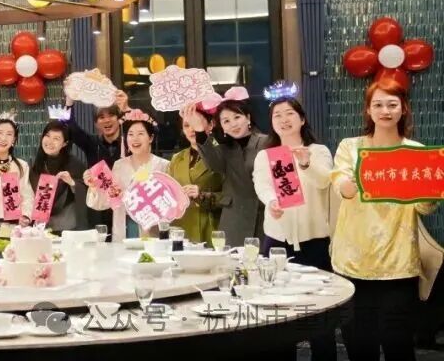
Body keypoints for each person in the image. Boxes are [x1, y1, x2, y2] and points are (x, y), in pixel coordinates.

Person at [331, 79, 436, 361]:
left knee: (398, 344)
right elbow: (341, 186)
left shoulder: (416, 151)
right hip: (353, 263)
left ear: (404, 108)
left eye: (392, 104)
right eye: (377, 104)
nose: (385, 111)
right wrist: (352, 184)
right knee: (359, 345)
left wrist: (432, 190)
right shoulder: (350, 147)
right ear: (368, 110)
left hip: (398, 264)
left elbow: (425, 208)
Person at [252, 95, 336, 361]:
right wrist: (271, 202)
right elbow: (262, 185)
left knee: (320, 310)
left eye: (289, 113)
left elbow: (324, 182)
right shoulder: (266, 155)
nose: (283, 119)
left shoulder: (318, 151)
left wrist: (306, 163)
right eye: (277, 115)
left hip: (315, 242)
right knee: (279, 311)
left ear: (302, 119)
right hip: (278, 242)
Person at [182, 90, 268, 244]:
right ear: (221, 126)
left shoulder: (267, 142)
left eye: (237, 117)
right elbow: (213, 163)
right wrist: (200, 130)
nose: (233, 124)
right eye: (226, 121)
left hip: (265, 218)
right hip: (234, 222)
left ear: (248, 118)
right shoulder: (224, 149)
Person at [85, 109, 170, 241]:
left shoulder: (163, 166)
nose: (135, 139)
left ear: (151, 138)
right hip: (123, 230)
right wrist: (94, 186)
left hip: (152, 233)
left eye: (140, 133)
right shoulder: (119, 165)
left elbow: (169, 205)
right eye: (130, 134)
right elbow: (106, 201)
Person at [63, 98, 123, 229]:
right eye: (101, 117)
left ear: (119, 119)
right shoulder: (92, 143)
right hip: (99, 208)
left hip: (124, 206)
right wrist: (69, 102)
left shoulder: (130, 143)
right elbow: (70, 126)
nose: (107, 120)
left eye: (111, 115)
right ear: (96, 124)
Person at [168, 110, 224, 244]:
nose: (191, 129)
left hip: (211, 226)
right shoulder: (177, 158)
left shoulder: (223, 154)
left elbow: (232, 195)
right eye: (186, 125)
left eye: (195, 123)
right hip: (181, 227)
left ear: (211, 124)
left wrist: (202, 195)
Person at [28, 120, 85, 232]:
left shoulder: (74, 163)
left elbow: (89, 191)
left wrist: (72, 183)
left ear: (64, 144)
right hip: (42, 227)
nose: (50, 141)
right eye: (47, 136)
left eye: (56, 138)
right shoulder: (38, 163)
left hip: (67, 227)